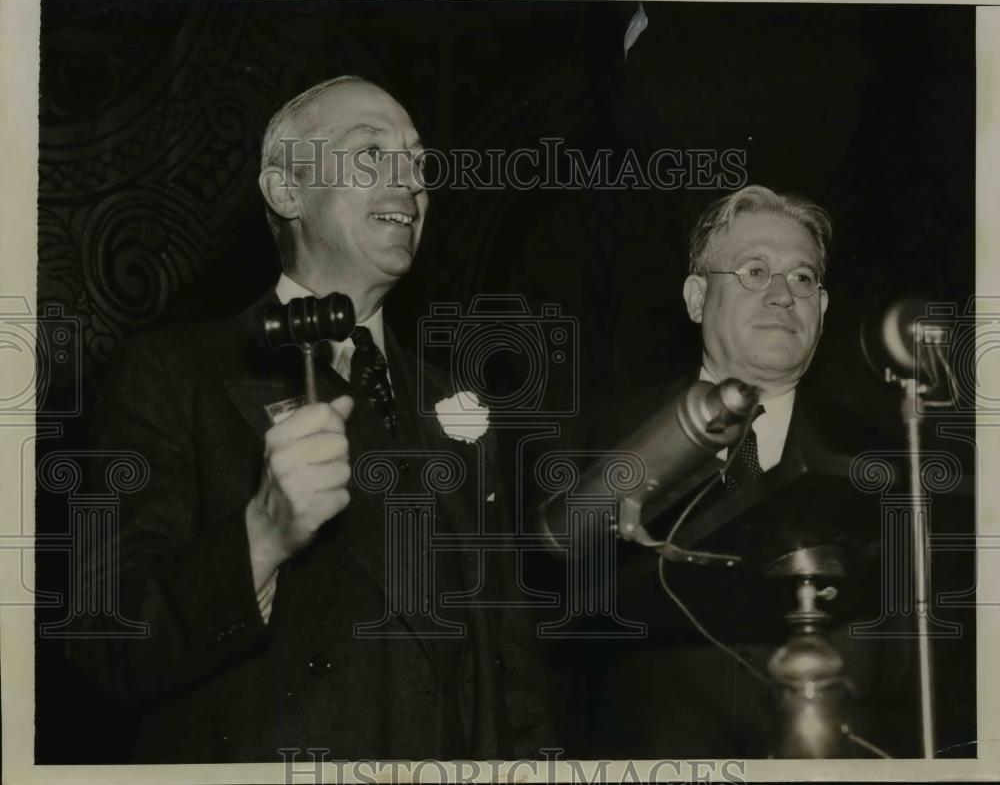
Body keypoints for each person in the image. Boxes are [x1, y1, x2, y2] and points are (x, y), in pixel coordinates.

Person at [67, 76, 552, 762]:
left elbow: (512, 677)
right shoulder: (174, 374)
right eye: (369, 153)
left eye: (417, 162)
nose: (410, 182)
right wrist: (262, 536)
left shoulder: (462, 411)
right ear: (285, 190)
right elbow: (104, 642)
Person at [551, 185, 907, 757]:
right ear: (696, 298)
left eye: (803, 278)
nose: (782, 295)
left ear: (824, 309)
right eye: (754, 270)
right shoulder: (594, 448)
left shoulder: (887, 467)